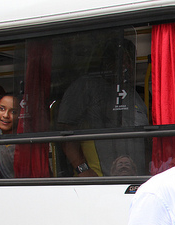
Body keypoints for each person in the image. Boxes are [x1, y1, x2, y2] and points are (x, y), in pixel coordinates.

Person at [57, 38, 148, 177]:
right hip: (99, 181)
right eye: (120, 61)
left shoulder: (135, 96)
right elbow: (65, 133)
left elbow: (145, 141)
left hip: (135, 181)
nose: (125, 66)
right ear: (107, 63)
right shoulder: (85, 87)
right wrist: (82, 170)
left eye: (129, 61)